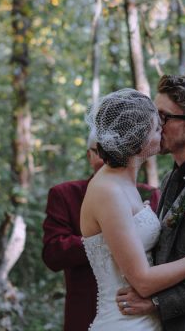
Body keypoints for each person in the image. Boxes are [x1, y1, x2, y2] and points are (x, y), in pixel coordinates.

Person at [80, 88, 185, 331]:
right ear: (138, 138)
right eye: (156, 125)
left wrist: (159, 304)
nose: (161, 129)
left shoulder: (128, 183)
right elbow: (143, 281)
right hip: (124, 321)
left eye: (164, 119)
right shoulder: (109, 190)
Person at [42, 132, 161, 331]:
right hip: (85, 311)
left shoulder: (148, 193)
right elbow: (53, 253)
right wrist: (111, 234)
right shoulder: (64, 194)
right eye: (99, 152)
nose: (106, 158)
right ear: (89, 155)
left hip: (142, 310)